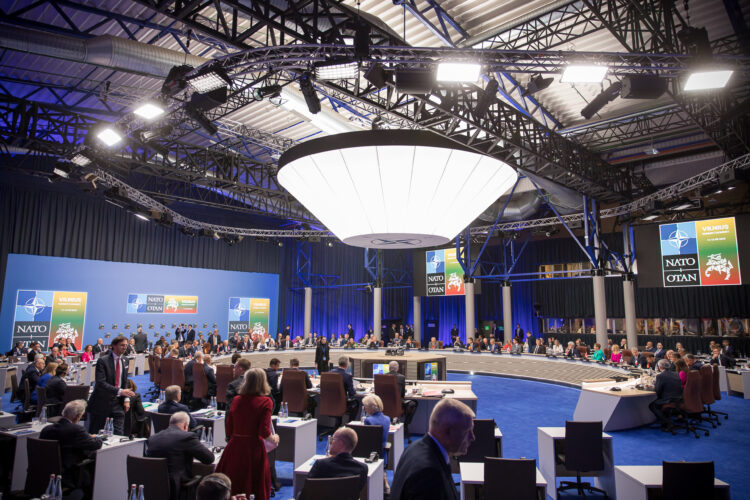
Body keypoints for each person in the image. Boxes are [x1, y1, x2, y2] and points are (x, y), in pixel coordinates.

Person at [391, 399, 475, 500]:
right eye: (467, 431)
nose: (472, 437)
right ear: (447, 432)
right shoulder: (429, 474)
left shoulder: (413, 448)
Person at [216, 368, 279, 499]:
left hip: (234, 445)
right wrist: (274, 439)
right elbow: (264, 430)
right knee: (255, 484)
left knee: (232, 481)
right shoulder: (266, 401)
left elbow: (229, 425)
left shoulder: (236, 399)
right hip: (253, 447)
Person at [147, 411, 215, 500]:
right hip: (176, 486)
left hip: (154, 486)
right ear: (186, 425)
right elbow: (209, 458)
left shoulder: (153, 438)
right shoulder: (187, 436)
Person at [40, 400, 102, 494]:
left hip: (43, 472)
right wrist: (96, 437)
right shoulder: (76, 430)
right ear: (78, 416)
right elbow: (96, 444)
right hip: (68, 474)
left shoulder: (46, 429)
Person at [87, 335, 135, 435]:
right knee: (96, 434)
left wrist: (126, 399)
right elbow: (101, 383)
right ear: (113, 346)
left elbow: (124, 380)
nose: (125, 347)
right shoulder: (103, 361)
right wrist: (120, 391)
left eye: (126, 345)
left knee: (118, 434)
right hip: (102, 403)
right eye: (122, 345)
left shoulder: (125, 360)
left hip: (118, 403)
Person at [363, 394, 391, 492]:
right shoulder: (387, 419)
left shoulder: (368, 421)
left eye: (365, 407)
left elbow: (366, 439)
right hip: (382, 452)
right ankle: (385, 480)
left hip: (370, 453)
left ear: (370, 408)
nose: (364, 409)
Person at [648, 359, 683, 432]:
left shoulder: (661, 376)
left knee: (652, 405)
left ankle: (667, 422)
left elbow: (658, 391)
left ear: (660, 367)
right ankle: (665, 421)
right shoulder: (676, 373)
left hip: (669, 399)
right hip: (679, 397)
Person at [330, 356, 361, 421]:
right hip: (341, 404)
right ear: (346, 365)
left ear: (339, 363)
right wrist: (355, 388)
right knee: (356, 403)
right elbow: (352, 393)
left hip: (330, 403)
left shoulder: (329, 373)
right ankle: (349, 425)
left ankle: (338, 424)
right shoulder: (347, 376)